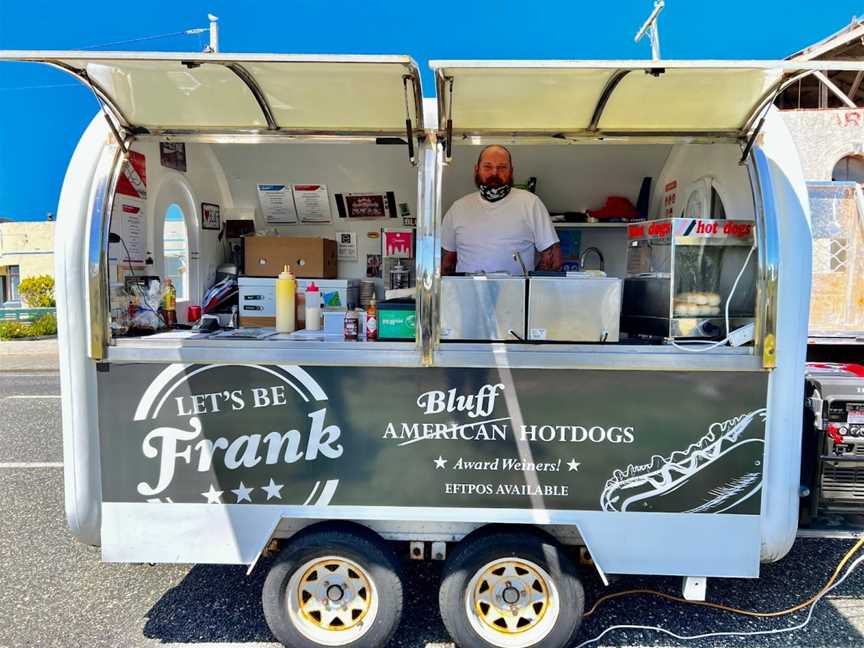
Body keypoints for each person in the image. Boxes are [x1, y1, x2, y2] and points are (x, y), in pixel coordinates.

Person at [441, 145, 561, 276]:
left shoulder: (531, 203)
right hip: (468, 294)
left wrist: (528, 289)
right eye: (487, 167)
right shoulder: (458, 209)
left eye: (502, 167)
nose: (494, 173)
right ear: (476, 169)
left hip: (517, 294)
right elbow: (447, 264)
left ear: (511, 171)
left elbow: (553, 261)